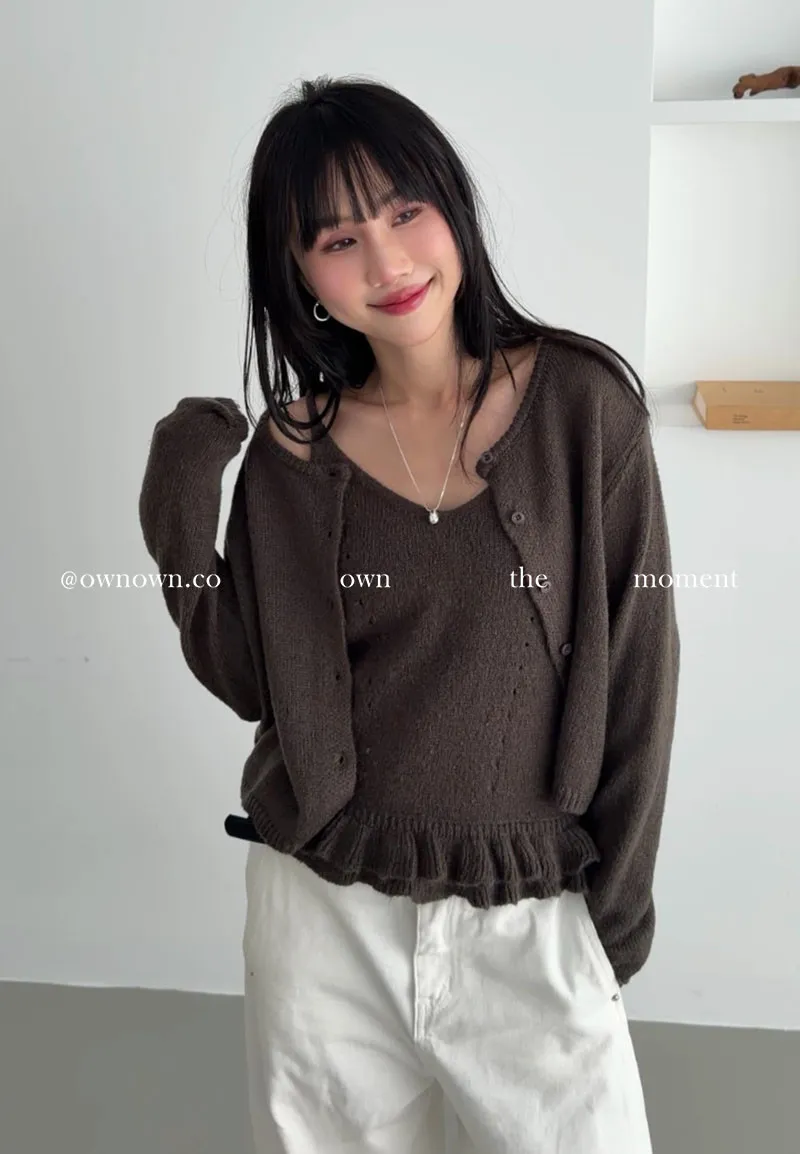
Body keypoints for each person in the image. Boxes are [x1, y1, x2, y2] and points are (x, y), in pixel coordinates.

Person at [139, 74, 680, 1154]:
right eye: (337, 239)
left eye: (403, 212)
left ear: (452, 206)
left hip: (533, 910)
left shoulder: (583, 410)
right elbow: (255, 679)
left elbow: (639, 672)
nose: (386, 262)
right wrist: (179, 510)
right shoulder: (292, 453)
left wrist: (610, 923)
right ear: (297, 272)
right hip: (323, 917)